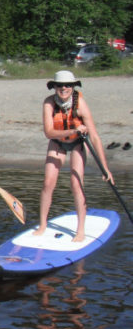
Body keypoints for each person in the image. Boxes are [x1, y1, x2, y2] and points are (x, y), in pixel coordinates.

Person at [34, 70, 113, 242]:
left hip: (77, 144)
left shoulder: (80, 104)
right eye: (60, 85)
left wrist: (105, 168)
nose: (64, 88)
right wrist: (73, 130)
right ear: (54, 87)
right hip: (57, 142)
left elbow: (95, 137)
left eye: (68, 85)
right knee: (48, 183)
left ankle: (81, 230)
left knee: (76, 183)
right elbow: (48, 132)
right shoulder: (48, 103)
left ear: (73, 87)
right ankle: (42, 225)